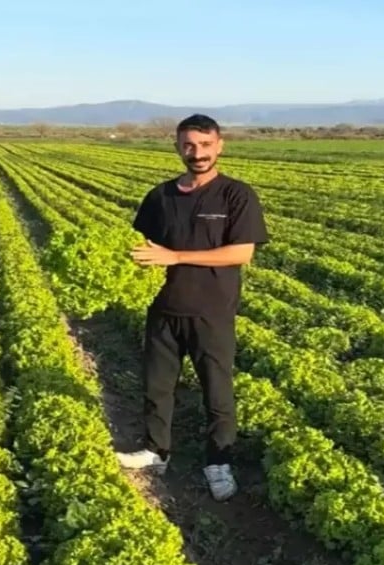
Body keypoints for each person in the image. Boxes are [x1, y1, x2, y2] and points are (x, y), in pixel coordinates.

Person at [115, 113, 269, 501]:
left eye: (204, 145)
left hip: (211, 311)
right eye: (188, 145)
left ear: (219, 146)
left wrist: (177, 256)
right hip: (164, 309)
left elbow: (241, 252)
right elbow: (141, 248)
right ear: (177, 147)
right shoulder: (160, 197)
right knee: (156, 386)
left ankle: (218, 463)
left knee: (217, 391)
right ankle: (155, 451)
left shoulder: (236, 195)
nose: (196, 153)